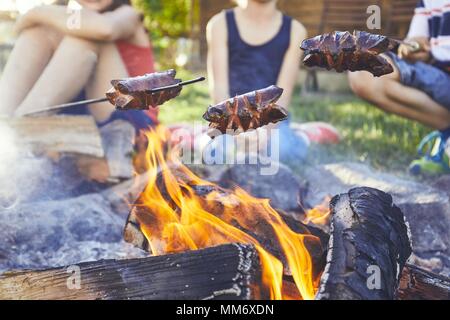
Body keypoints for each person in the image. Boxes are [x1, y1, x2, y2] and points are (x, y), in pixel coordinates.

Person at [0, 0, 156, 181]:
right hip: (82, 119)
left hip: (130, 123)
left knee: (88, 37)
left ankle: (20, 132)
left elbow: (105, 29)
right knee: (38, 32)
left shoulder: (129, 15)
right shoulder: (67, 19)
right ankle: (5, 129)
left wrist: (36, 12)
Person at [348, 0, 450, 175]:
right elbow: (419, 44)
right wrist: (412, 47)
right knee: (363, 71)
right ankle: (448, 134)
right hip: (440, 76)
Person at [206, 0, 311, 163]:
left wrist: (264, 132)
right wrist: (236, 129)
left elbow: (283, 96)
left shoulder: (295, 30)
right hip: (230, 120)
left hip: (272, 121)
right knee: (218, 154)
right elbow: (219, 89)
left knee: (282, 150)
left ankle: (301, 138)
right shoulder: (219, 24)